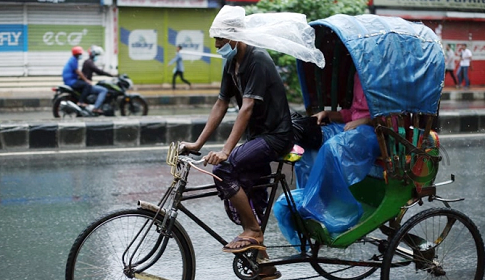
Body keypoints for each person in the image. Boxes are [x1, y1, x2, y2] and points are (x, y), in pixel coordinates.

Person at [181, 5, 325, 280]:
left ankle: (253, 232)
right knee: (249, 193)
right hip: (257, 138)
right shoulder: (231, 63)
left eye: (221, 39)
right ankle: (265, 265)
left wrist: (225, 151)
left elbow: (246, 108)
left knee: (225, 170)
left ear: (235, 37)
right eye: (216, 39)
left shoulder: (257, 59)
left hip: (275, 137)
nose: (217, 45)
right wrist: (197, 143)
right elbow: (221, 104)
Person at [274, 73, 381, 246]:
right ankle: (311, 200)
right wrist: (328, 114)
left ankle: (328, 208)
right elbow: (352, 113)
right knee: (307, 146)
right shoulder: (358, 73)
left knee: (332, 148)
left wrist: (364, 121)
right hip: (353, 127)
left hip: (377, 132)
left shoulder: (383, 72)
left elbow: (392, 115)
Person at [81, 45, 115, 114]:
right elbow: (98, 71)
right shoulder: (89, 62)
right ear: (93, 54)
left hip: (86, 83)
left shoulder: (87, 62)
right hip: (87, 85)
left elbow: (97, 72)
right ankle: (96, 108)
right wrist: (110, 75)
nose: (97, 57)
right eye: (97, 55)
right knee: (103, 90)